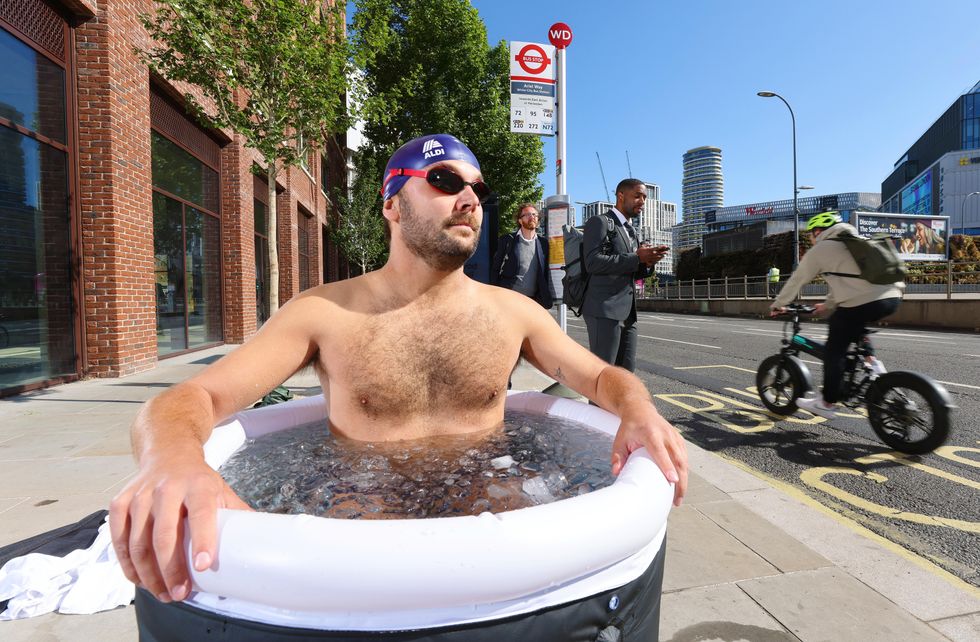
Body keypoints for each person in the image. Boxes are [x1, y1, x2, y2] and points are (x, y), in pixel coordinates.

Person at [109, 134, 688, 608]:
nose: (469, 199)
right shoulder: (323, 314)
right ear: (391, 202)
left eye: (476, 188)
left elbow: (600, 378)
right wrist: (174, 461)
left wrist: (638, 408)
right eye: (444, 182)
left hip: (494, 507)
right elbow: (192, 398)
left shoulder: (513, 313)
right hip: (362, 514)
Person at [770, 211, 905, 417]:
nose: (812, 239)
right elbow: (847, 283)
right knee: (853, 323)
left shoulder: (823, 248)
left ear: (818, 231)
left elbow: (798, 279)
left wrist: (779, 304)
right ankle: (873, 365)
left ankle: (827, 403)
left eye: (811, 234)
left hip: (863, 300)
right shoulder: (856, 241)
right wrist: (827, 305)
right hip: (892, 296)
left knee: (835, 349)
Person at [581, 178, 667, 372]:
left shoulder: (630, 230)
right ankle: (597, 405)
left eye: (644, 197)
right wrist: (636, 258)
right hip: (603, 310)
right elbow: (593, 262)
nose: (642, 201)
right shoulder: (599, 222)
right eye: (637, 196)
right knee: (603, 374)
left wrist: (647, 263)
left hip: (628, 313)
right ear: (621, 196)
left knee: (626, 373)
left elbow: (631, 267)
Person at [489, 203, 553, 308]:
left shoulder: (543, 243)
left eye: (534, 215)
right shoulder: (507, 240)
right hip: (509, 298)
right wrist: (495, 295)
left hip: (532, 301)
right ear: (520, 220)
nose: (532, 217)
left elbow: (545, 272)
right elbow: (495, 269)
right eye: (527, 214)